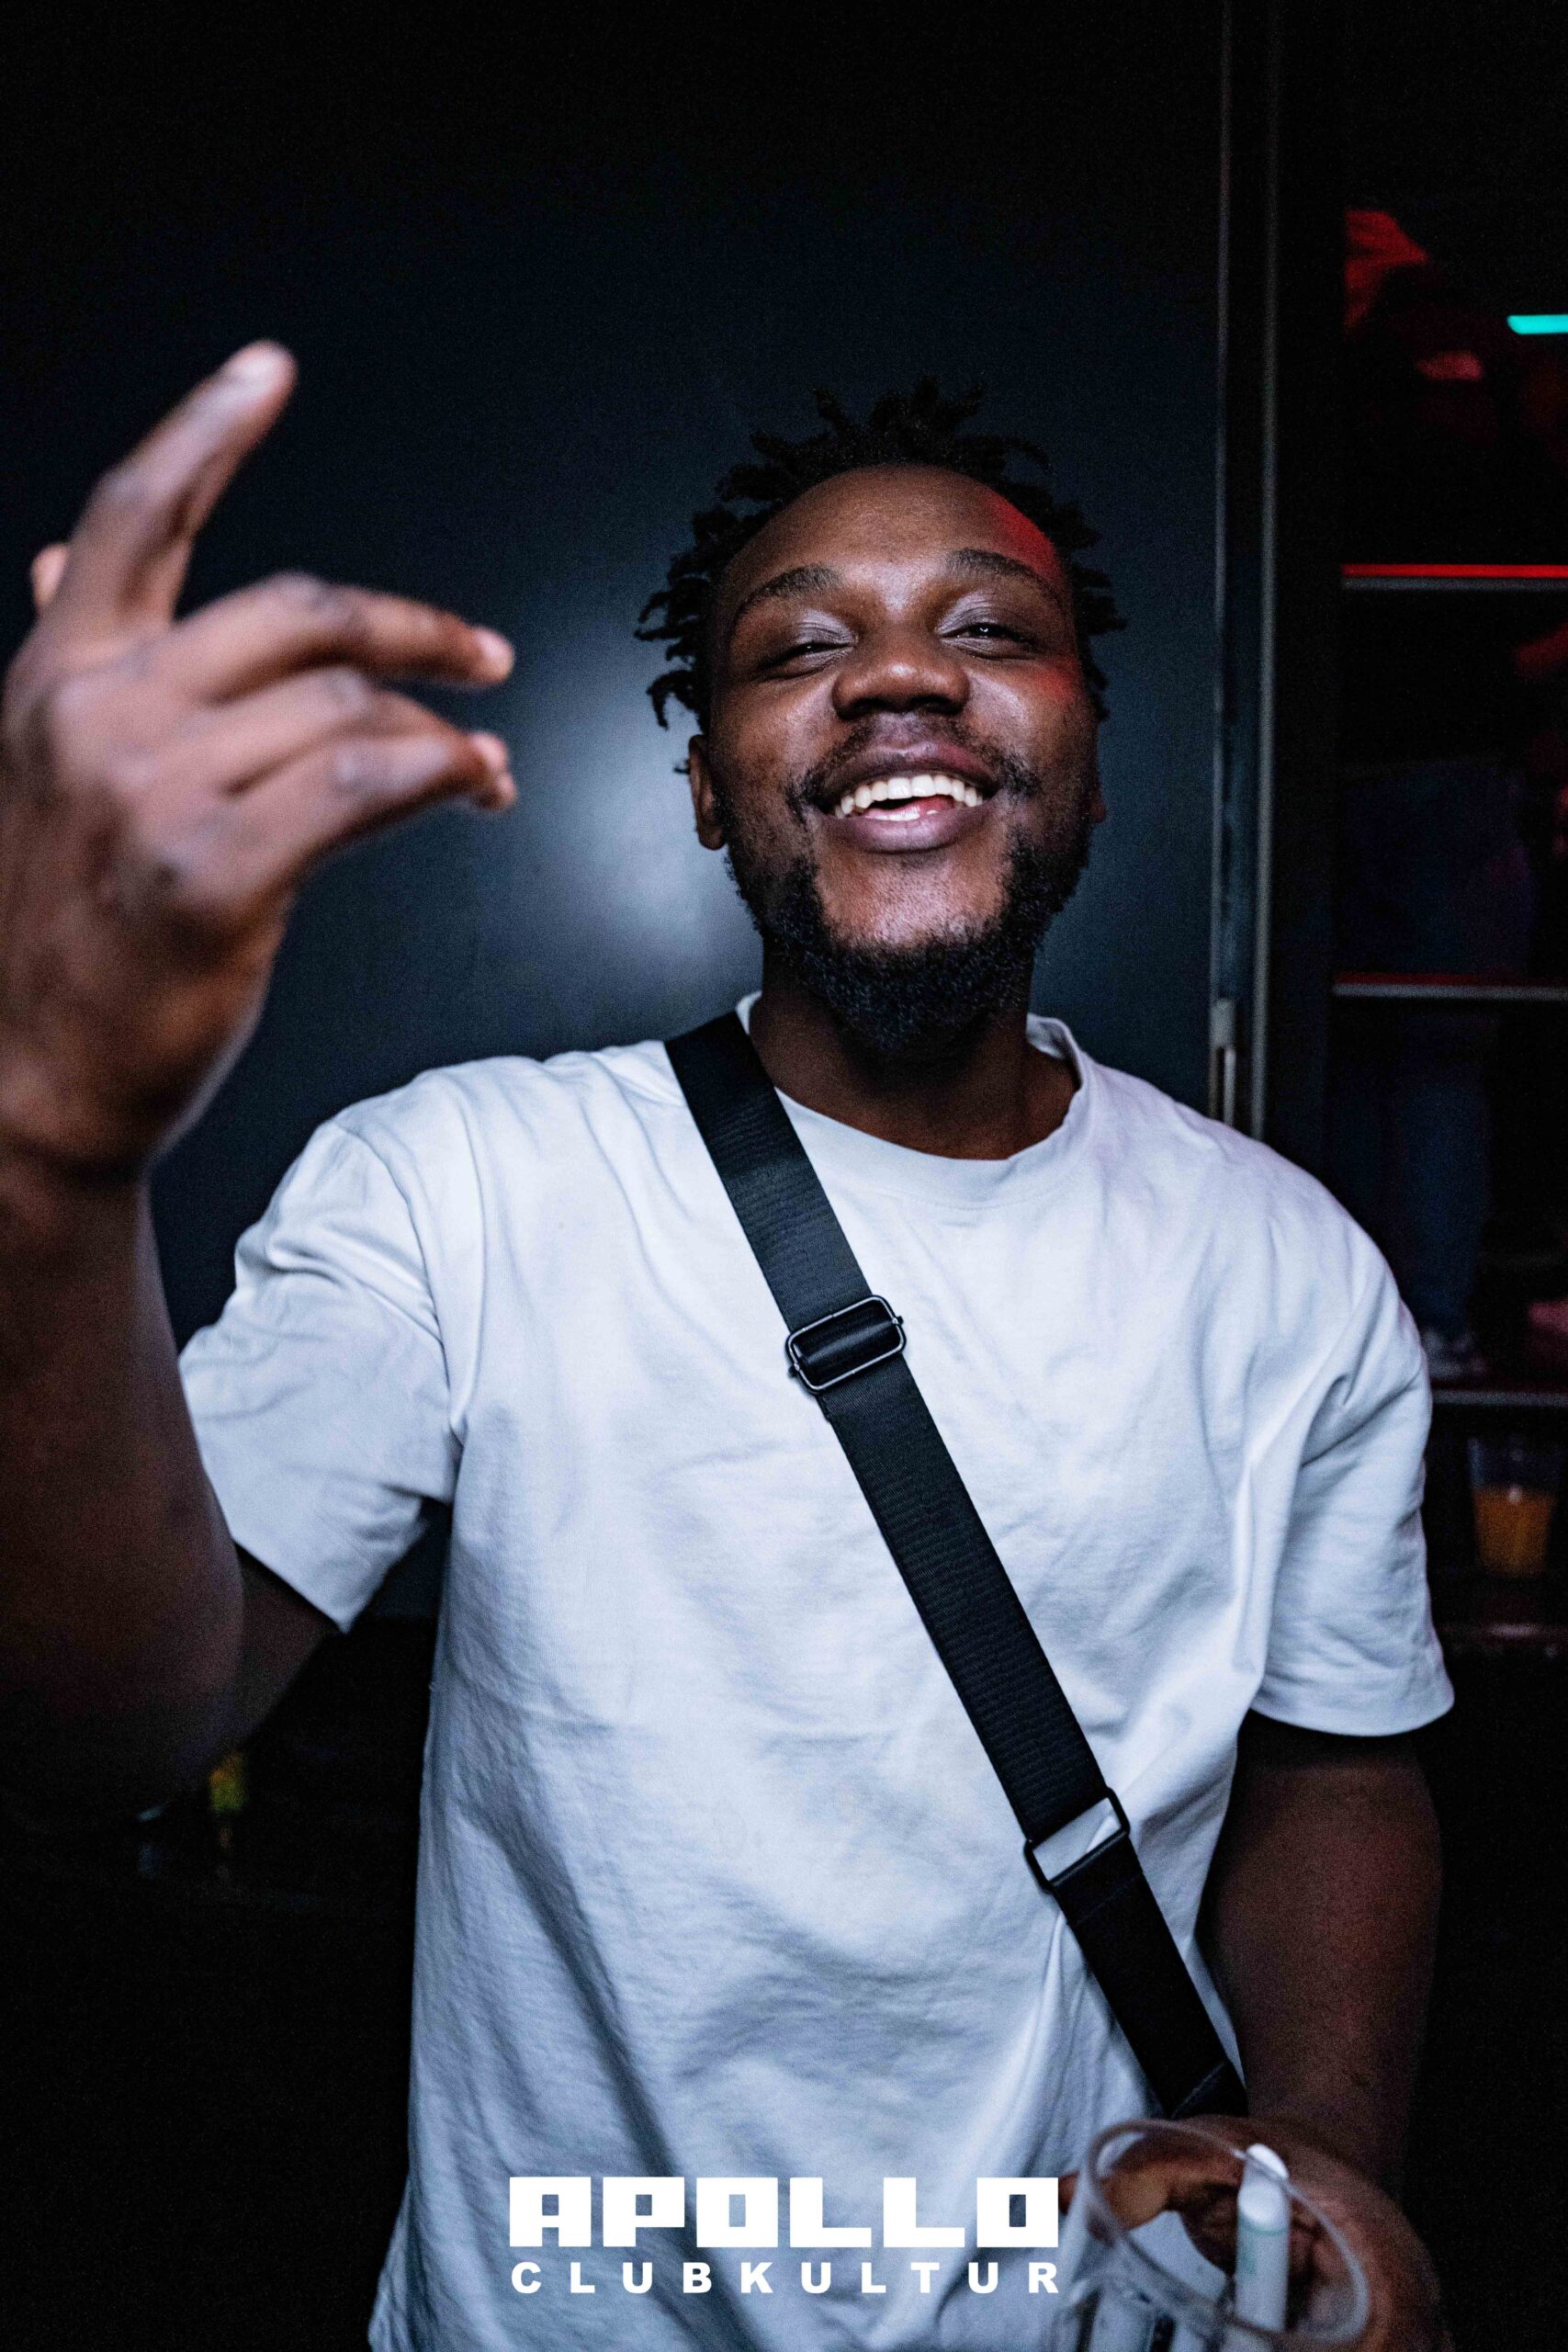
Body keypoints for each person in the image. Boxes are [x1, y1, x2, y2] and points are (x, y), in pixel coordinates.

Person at [0, 349, 1452, 2349]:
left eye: (987, 629)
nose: (897, 675)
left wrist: (1328, 2131)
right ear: (703, 784)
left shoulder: (1291, 1267)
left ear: (1092, 755)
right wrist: (53, 1157)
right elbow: (111, 1726)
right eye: (799, 646)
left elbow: (1335, 1759)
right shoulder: (462, 1185)